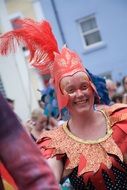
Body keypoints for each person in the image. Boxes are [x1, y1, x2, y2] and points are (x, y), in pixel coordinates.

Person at [0, 18, 127, 190]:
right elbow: (44, 181)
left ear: (92, 88)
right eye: (71, 90)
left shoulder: (120, 117)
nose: (80, 94)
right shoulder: (56, 142)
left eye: (84, 87)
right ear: (61, 95)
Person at [0, 92, 59, 190]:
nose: (44, 124)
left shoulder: (48, 131)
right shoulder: (29, 132)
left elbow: (30, 168)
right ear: (35, 121)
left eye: (45, 121)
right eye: (41, 122)